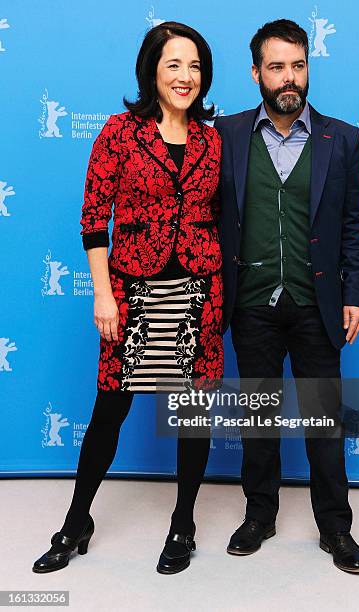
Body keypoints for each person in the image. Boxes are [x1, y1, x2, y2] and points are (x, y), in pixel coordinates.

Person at [32, 21, 223, 576]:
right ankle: (75, 523)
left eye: (194, 66)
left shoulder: (213, 139)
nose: (185, 77)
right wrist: (104, 294)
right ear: (151, 71)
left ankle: (183, 523)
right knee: (108, 413)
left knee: (193, 415)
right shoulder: (118, 133)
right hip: (133, 291)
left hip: (199, 292)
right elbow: (94, 222)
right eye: (174, 65)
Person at [214, 19, 359, 574]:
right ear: (256, 72)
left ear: (308, 68)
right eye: (276, 66)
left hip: (316, 305)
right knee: (258, 419)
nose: (289, 77)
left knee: (323, 421)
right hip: (251, 303)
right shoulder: (226, 133)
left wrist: (357, 293)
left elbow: (354, 224)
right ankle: (260, 515)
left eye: (298, 65)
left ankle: (336, 526)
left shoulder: (342, 138)